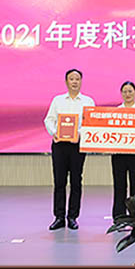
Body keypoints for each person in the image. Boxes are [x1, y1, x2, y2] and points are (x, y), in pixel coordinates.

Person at [43, 69, 95, 230]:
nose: (74, 81)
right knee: (59, 181)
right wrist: (54, 133)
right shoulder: (58, 100)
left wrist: (79, 134)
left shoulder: (88, 101)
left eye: (77, 79)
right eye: (71, 79)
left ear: (81, 81)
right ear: (66, 82)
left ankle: (72, 217)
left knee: (76, 181)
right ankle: (59, 217)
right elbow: (49, 120)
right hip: (59, 145)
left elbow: (91, 122)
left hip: (78, 145)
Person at [111, 81, 135, 219]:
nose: (127, 94)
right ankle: (119, 217)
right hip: (119, 155)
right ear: (121, 94)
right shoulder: (116, 112)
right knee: (119, 187)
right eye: (125, 91)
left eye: (130, 91)